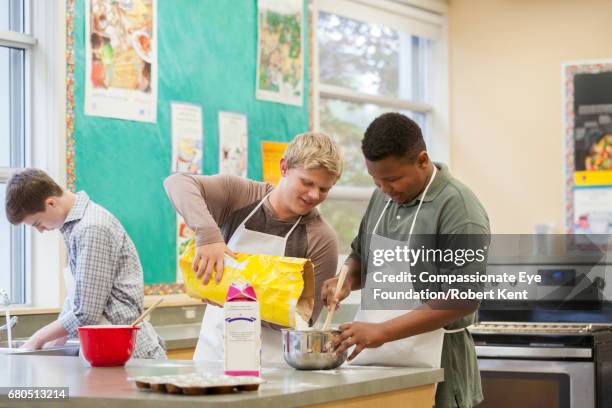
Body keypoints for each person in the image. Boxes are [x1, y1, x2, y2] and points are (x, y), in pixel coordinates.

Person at [322, 113, 490, 408]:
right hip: (378, 365)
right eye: (377, 182)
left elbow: (463, 297)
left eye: (393, 180)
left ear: (422, 160)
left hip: (440, 365)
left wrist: (383, 331)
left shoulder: (458, 208)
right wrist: (345, 280)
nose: (386, 190)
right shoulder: (384, 198)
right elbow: (362, 257)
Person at [164, 132, 343, 364]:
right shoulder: (240, 196)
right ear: (284, 167)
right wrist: (208, 236)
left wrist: (231, 298)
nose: (314, 195)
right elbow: (177, 182)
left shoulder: (321, 238)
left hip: (270, 366)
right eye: (307, 183)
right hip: (213, 354)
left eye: (324, 189)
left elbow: (304, 320)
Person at [4, 169, 166, 359]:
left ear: (51, 203)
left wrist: (36, 340)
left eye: (37, 223)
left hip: (129, 355)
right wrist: (54, 342)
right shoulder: (75, 228)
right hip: (110, 349)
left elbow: (86, 313)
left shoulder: (91, 229)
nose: (40, 230)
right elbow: (77, 299)